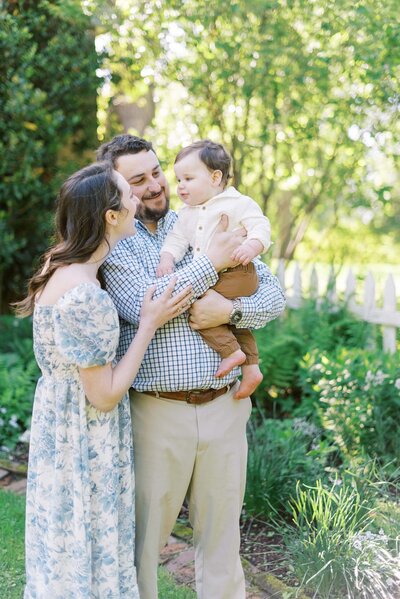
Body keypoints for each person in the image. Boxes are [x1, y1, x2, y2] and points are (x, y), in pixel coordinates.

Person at [98, 135, 286, 599]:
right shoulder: (116, 242)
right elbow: (144, 304)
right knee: (144, 542)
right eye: (137, 180)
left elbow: (273, 296)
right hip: (156, 412)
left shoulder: (211, 211)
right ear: (115, 186)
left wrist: (230, 313)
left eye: (157, 171)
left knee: (223, 541)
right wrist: (211, 262)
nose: (156, 185)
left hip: (224, 406)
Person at [15, 161, 193, 599]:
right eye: (127, 194)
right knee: (87, 550)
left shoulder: (65, 269)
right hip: (83, 439)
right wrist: (149, 323)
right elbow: (105, 395)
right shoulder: (85, 294)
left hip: (62, 428)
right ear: (111, 216)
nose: (139, 200)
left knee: (66, 550)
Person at [157, 139, 271, 398]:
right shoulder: (186, 214)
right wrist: (166, 259)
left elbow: (260, 226)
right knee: (234, 322)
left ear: (215, 177)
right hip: (218, 276)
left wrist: (252, 246)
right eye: (178, 180)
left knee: (197, 305)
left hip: (238, 273)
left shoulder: (237, 203)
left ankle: (231, 352)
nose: (181, 186)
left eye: (188, 178)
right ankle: (251, 368)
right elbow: (175, 240)